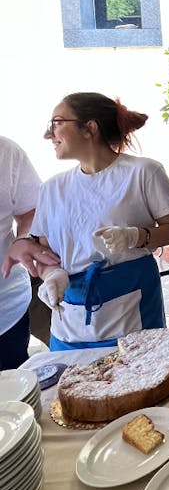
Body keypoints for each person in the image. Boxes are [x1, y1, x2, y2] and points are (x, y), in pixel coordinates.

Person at [4, 93, 169, 351]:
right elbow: (46, 254)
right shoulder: (52, 189)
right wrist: (52, 275)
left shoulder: (143, 172)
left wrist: (136, 236)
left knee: (140, 380)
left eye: (55, 123)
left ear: (90, 128)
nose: (48, 135)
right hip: (70, 323)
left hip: (133, 312)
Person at [0, 137, 60, 368]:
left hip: (6, 312)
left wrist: (24, 238)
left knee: (13, 400)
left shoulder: (6, 151)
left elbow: (32, 209)